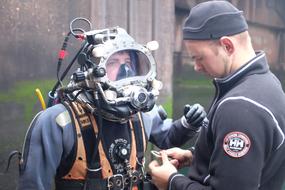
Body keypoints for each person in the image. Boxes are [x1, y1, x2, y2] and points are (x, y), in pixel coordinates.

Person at [17, 29, 207, 190]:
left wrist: (188, 124)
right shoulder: (58, 122)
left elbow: (166, 139)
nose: (125, 70)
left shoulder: (141, 113)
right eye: (114, 63)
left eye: (128, 63)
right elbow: (33, 184)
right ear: (93, 71)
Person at [148, 1, 285, 190]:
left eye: (199, 57)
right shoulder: (267, 83)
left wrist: (172, 181)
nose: (196, 67)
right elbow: (252, 160)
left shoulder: (240, 107)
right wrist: (194, 155)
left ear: (227, 46)